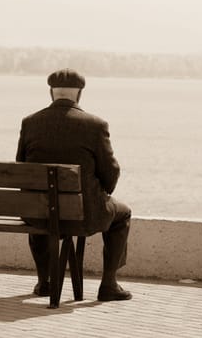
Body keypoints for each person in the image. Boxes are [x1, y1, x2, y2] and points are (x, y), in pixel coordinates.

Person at [16, 68, 132, 301]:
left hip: (40, 214)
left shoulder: (30, 123)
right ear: (79, 95)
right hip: (84, 215)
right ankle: (108, 284)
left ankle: (45, 282)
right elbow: (110, 173)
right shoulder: (95, 125)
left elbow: (22, 167)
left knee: (38, 206)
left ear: (51, 93)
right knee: (123, 215)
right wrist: (104, 191)